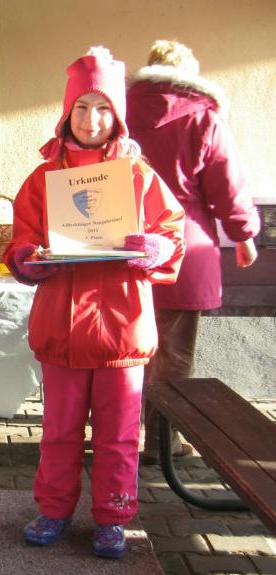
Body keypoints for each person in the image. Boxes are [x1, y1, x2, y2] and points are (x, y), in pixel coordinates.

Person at [3, 47, 185, 558]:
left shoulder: (140, 176)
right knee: (58, 431)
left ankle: (113, 515)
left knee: (120, 435)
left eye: (103, 108)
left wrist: (158, 248)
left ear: (117, 115)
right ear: (66, 112)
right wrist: (26, 258)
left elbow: (172, 231)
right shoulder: (42, 179)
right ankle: (54, 508)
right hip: (61, 331)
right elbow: (22, 237)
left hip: (121, 332)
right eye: (81, 107)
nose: (91, 119)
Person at [126, 40, 261, 465]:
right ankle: (161, 442)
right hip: (184, 245)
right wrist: (243, 235)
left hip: (124, 244)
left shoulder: (119, 110)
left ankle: (119, 433)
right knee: (173, 352)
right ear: (190, 74)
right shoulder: (203, 117)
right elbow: (227, 185)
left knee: (123, 348)